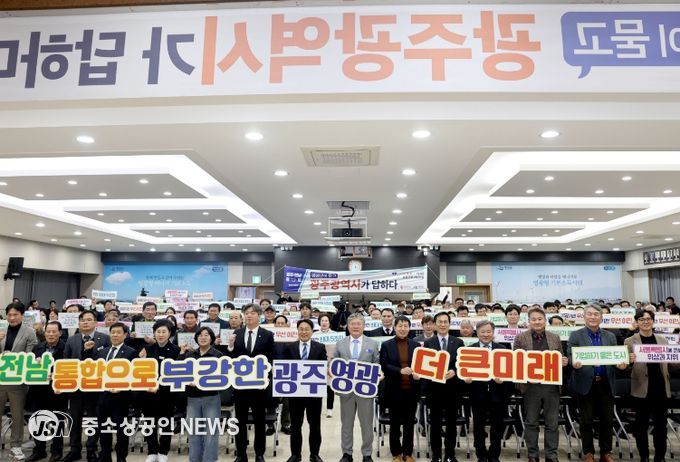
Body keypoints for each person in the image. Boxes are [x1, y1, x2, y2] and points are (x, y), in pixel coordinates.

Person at [567, 305, 627, 462]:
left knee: (607, 420)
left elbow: (616, 357)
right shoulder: (576, 335)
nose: (592, 317)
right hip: (585, 383)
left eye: (596, 314)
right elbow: (570, 355)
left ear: (601, 317)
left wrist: (620, 365)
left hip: (606, 383)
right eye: (589, 314)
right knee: (586, 420)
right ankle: (588, 452)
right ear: (584, 317)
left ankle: (606, 452)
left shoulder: (610, 336)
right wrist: (574, 363)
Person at [513, 308, 568, 462]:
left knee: (552, 423)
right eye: (533, 319)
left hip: (551, 386)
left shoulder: (555, 337)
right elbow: (516, 362)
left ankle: (551, 454)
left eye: (540, 319)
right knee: (531, 422)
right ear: (528, 321)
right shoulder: (520, 338)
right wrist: (526, 376)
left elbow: (560, 357)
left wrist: (563, 361)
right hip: (531, 386)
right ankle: (533, 454)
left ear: (545, 320)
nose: (537, 322)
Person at [82, 322, 137, 462]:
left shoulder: (131, 352)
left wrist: (123, 388)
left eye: (119, 332)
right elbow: (91, 369)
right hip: (102, 397)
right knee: (103, 429)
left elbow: (134, 375)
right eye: (113, 332)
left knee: (121, 431)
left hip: (120, 398)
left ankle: (121, 458)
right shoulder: (102, 352)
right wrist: (87, 351)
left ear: (125, 335)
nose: (115, 335)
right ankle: (105, 456)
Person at [62, 309, 111, 462]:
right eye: (83, 320)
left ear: (95, 323)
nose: (86, 322)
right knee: (74, 419)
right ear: (79, 323)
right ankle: (74, 449)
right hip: (76, 387)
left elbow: (109, 360)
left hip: (96, 387)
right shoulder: (72, 340)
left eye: (89, 320)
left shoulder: (105, 338)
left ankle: (91, 450)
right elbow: (66, 361)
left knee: (93, 419)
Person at [228, 303, 275, 462]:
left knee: (259, 420)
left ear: (259, 316)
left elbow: (271, 358)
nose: (249, 315)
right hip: (240, 385)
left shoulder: (267, 335)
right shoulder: (237, 333)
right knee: (240, 420)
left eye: (252, 313)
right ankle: (241, 454)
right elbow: (231, 358)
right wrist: (230, 345)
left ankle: (259, 454)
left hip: (258, 386)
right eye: (246, 313)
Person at [624, 310, 674, 462]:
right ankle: (644, 456)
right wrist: (628, 361)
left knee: (661, 426)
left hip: (661, 388)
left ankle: (660, 457)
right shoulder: (629, 341)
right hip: (641, 388)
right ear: (637, 322)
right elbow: (624, 367)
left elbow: (671, 364)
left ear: (653, 321)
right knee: (641, 427)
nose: (645, 322)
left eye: (648, 319)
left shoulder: (663, 340)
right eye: (641, 319)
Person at [334, 313, 380, 462]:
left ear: (364, 326)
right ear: (348, 326)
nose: (355, 327)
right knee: (346, 424)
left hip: (365, 390)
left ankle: (367, 454)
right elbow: (334, 362)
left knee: (366, 424)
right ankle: (347, 453)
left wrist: (379, 375)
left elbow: (377, 364)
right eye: (352, 324)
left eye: (358, 324)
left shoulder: (372, 344)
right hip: (346, 390)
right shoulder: (340, 343)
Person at [463, 320, 509, 462]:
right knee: (478, 427)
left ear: (493, 333)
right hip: (478, 395)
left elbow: (510, 373)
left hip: (497, 394)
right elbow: (464, 372)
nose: (486, 334)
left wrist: (504, 380)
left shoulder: (503, 349)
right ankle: (481, 455)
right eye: (482, 332)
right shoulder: (470, 350)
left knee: (497, 427)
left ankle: (494, 455)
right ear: (477, 333)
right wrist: (466, 380)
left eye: (489, 331)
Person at [283, 319, 327, 462]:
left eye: (307, 329)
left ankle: (314, 454)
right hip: (295, 394)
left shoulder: (319, 347)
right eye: (301, 329)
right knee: (296, 426)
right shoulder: (289, 347)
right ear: (297, 331)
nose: (304, 332)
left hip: (314, 393)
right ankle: (295, 454)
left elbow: (323, 367)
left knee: (315, 426)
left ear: (312, 331)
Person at [424, 311, 463, 462]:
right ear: (435, 324)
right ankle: (436, 454)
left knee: (451, 424)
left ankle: (450, 454)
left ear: (449, 324)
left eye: (445, 321)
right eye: (439, 322)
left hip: (453, 389)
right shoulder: (429, 343)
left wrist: (455, 371)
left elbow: (462, 363)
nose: (442, 324)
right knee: (435, 424)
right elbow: (426, 365)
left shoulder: (458, 342)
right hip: (435, 390)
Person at [379, 316, 420, 462]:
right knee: (395, 423)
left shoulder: (416, 346)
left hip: (411, 390)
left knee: (409, 423)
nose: (403, 329)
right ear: (395, 327)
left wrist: (419, 374)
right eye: (400, 326)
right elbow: (384, 365)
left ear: (409, 328)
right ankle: (396, 453)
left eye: (405, 326)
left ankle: (407, 453)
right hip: (394, 390)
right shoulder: (386, 345)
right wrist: (400, 371)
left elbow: (421, 365)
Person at [140, 319, 180, 462]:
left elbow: (176, 373)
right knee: (149, 422)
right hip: (148, 392)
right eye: (158, 332)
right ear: (154, 333)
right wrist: (141, 359)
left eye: (164, 332)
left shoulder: (176, 350)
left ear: (170, 333)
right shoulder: (147, 349)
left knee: (165, 422)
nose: (161, 334)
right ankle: (152, 451)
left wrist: (160, 385)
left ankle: (163, 451)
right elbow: (141, 371)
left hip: (167, 393)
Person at [181, 327, 223, 462]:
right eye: (200, 335)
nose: (203, 337)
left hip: (211, 398)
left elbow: (223, 378)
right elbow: (180, 374)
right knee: (193, 432)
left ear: (211, 338)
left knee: (211, 432)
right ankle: (194, 459)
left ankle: (209, 460)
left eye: (206, 335)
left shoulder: (218, 355)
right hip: (193, 398)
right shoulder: (190, 355)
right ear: (196, 338)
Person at [27, 321, 65, 462]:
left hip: (57, 391)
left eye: (54, 332)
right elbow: (29, 368)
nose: (50, 334)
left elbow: (70, 367)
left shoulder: (65, 347)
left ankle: (56, 451)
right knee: (39, 421)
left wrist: (55, 374)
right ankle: (39, 450)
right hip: (39, 390)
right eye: (48, 331)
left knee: (58, 421)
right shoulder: (38, 347)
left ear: (60, 333)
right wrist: (35, 365)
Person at [317, 313, 336, 417]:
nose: (324, 323)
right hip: (318, 364)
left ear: (329, 322)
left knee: (330, 388)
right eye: (322, 321)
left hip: (331, 364)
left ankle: (329, 409)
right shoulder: (315, 335)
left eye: (326, 321)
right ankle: (318, 408)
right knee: (318, 388)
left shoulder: (335, 335)